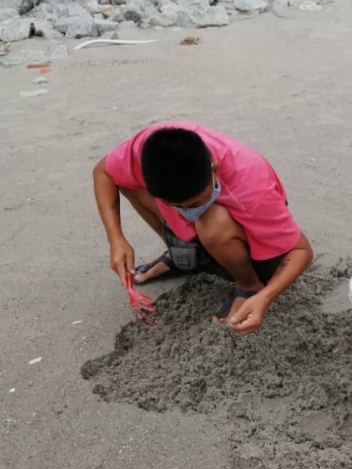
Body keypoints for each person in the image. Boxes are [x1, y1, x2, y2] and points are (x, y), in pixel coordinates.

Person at [93, 121, 313, 335]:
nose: (185, 211)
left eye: (194, 203)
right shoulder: (150, 148)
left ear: (214, 170)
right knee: (125, 181)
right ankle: (182, 252)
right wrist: (116, 239)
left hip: (253, 244)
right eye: (175, 206)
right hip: (204, 225)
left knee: (213, 221)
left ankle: (248, 285)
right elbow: (103, 171)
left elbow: (302, 251)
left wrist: (265, 297)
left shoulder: (252, 186)